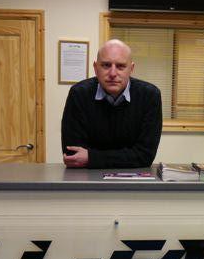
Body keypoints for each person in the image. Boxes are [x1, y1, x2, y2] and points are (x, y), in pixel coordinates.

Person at [61, 39, 162, 168]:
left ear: (131, 69)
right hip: (86, 179)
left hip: (133, 180)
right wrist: (127, 157)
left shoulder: (149, 96)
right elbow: (73, 155)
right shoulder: (79, 94)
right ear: (96, 68)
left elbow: (145, 156)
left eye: (120, 66)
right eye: (106, 65)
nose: (113, 73)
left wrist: (91, 157)